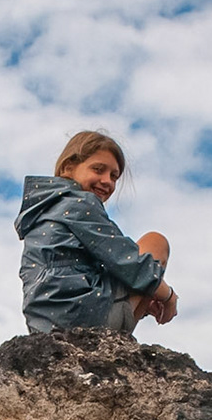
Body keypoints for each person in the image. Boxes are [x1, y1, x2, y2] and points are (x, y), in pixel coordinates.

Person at [16, 130, 178, 335]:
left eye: (114, 176)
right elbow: (128, 262)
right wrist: (168, 296)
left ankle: (120, 333)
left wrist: (149, 292)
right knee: (155, 242)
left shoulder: (45, 209)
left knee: (144, 280)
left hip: (45, 326)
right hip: (83, 319)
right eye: (98, 170)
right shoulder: (79, 202)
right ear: (68, 167)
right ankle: (117, 341)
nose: (107, 181)